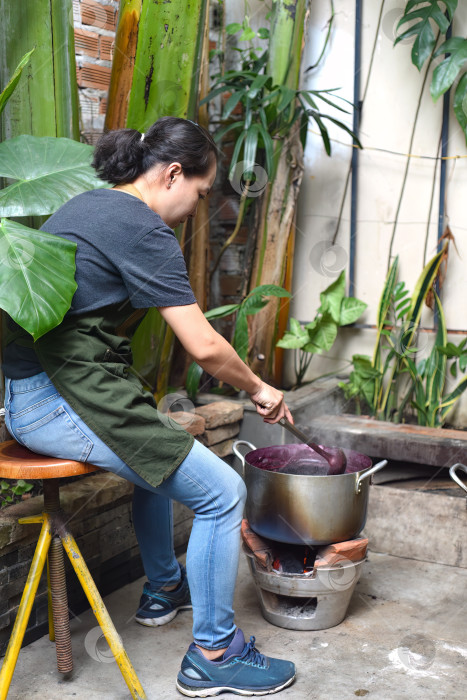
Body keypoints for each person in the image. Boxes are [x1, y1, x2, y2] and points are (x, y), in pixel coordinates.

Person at [2, 117, 296, 697]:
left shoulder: (89, 205)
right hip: (55, 404)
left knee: (160, 456)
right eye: (202, 194)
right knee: (222, 493)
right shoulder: (142, 229)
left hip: (30, 396)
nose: (196, 207)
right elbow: (205, 346)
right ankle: (213, 653)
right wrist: (261, 389)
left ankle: (164, 588)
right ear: (173, 174)